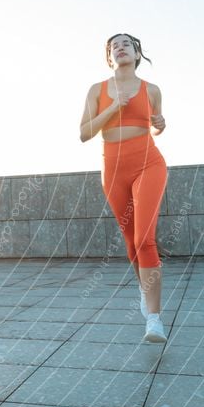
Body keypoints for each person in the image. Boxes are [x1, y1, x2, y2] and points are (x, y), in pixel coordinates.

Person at [79, 33, 168, 343]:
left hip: (148, 162)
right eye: (114, 45)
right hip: (114, 167)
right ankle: (146, 292)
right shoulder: (97, 90)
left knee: (145, 238)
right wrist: (113, 107)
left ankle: (154, 319)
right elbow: (84, 132)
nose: (120, 47)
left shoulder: (152, 90)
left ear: (137, 52)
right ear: (109, 56)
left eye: (126, 44)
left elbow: (155, 125)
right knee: (131, 244)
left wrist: (161, 123)